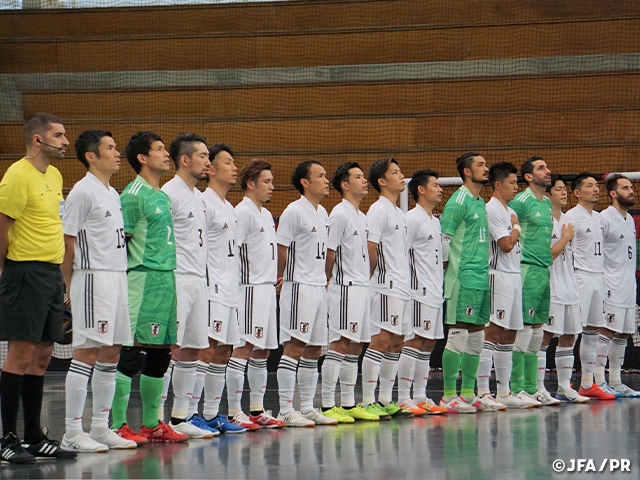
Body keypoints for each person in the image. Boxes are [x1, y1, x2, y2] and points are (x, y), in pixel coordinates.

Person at [0, 113, 77, 463]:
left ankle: (33, 437)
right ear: (37, 140)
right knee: (20, 354)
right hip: (24, 272)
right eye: (59, 136)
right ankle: (7, 438)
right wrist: (3, 273)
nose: (65, 142)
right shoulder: (17, 175)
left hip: (49, 275)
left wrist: (61, 276)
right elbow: (2, 227)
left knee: (44, 354)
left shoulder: (56, 174)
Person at [60, 130, 138, 452]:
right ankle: (71, 433)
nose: (117, 153)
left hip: (117, 278)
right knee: (87, 352)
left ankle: (101, 427)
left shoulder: (113, 193)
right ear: (91, 156)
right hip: (92, 279)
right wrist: (68, 287)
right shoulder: (82, 192)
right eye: (110, 148)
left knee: (112, 352)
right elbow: (67, 242)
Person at [110, 131, 189, 444]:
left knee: (161, 351)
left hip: (167, 277)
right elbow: (121, 244)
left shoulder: (164, 197)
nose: (165, 154)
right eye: (158, 149)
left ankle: (151, 424)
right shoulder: (132, 194)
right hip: (142, 278)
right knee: (131, 352)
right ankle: (117, 424)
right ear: (142, 158)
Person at [161, 133, 220, 438]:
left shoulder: (198, 196)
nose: (208, 162)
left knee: (195, 348)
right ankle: (156, 419)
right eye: (202, 156)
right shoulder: (169, 193)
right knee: (172, 348)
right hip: (177, 279)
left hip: (199, 280)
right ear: (184, 160)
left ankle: (179, 417)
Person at [222, 159, 286, 429]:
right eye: (267, 182)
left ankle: (257, 410)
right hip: (247, 290)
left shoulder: (263, 214)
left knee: (261, 352)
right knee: (243, 348)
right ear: (251, 184)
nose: (272, 187)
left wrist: (275, 279)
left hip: (266, 290)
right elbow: (232, 253)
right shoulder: (243, 212)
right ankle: (234, 410)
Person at [275, 160, 337, 427]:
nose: (326, 180)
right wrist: (282, 277)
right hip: (298, 287)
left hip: (318, 288)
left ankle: (308, 407)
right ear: (305, 182)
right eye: (320, 176)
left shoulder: (323, 212)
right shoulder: (293, 212)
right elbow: (280, 250)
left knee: (314, 350)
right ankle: (285, 409)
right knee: (295, 346)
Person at [196, 143, 251, 433]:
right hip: (210, 287)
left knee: (224, 351)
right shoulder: (203, 202)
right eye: (227, 162)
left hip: (231, 290)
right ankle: (190, 414)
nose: (234, 167)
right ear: (211, 169)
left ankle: (211, 413)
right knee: (205, 350)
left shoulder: (229, 207)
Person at [320, 162, 380, 423]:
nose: (364, 180)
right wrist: (330, 279)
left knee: (355, 345)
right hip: (344, 288)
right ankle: (326, 404)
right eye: (358, 177)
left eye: (364, 176)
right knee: (339, 343)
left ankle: (347, 404)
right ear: (345, 185)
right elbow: (329, 253)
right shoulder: (339, 214)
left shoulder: (362, 216)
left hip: (362, 289)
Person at [360, 157, 413, 419]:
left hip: (403, 288)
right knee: (381, 340)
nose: (401, 175)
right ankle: (368, 400)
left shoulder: (400, 214)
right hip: (385, 285)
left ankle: (384, 400)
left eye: (400, 171)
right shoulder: (377, 210)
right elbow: (371, 249)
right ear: (382, 181)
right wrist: (375, 279)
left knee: (397, 342)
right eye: (395, 172)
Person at [439, 152, 490, 414]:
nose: (486, 168)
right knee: (458, 336)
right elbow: (443, 241)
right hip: (462, 278)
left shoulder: (480, 202)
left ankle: (468, 394)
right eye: (480, 164)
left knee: (477, 337)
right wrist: (448, 273)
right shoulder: (457, 202)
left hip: (482, 277)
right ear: (467, 171)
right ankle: (449, 396)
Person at [396, 169, 448, 415]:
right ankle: (404, 398)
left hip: (435, 291)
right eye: (435, 185)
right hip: (418, 291)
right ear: (421, 190)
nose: (440, 189)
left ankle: (419, 396)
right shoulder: (412, 219)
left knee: (428, 343)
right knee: (414, 341)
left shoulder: (435, 221)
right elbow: (401, 255)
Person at [476, 162, 527, 409]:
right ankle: (484, 391)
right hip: (498, 276)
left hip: (514, 275)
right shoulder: (493, 209)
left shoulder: (508, 210)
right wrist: (517, 226)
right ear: (498, 184)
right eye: (512, 183)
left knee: (510, 334)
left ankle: (505, 392)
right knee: (494, 331)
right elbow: (506, 245)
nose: (516, 187)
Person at [507, 156, 555, 407]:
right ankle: (515, 389)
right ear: (528, 176)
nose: (547, 171)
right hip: (526, 269)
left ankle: (531, 387)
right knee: (523, 329)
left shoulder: (547, 203)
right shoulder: (520, 202)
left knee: (538, 330)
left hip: (544, 271)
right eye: (541, 168)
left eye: (546, 167)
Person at [564, 173, 616, 400]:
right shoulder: (571, 217)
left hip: (598, 278)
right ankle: (564, 384)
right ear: (577, 192)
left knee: (593, 331)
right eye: (589, 186)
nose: (596, 189)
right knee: (572, 331)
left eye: (597, 185)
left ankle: (587, 383)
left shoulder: (599, 218)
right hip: (580, 278)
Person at [540, 174, 589, 403]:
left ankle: (564, 387)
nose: (564, 193)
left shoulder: (567, 221)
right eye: (558, 189)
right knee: (545, 336)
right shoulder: (544, 220)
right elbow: (546, 255)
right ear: (548, 194)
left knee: (570, 336)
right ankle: (538, 387)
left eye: (564, 189)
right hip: (551, 286)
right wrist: (565, 238)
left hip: (570, 286)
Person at [595, 174, 639, 397]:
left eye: (631, 187)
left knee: (623, 333)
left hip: (628, 286)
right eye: (625, 188)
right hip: (610, 284)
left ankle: (616, 381)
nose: (631, 191)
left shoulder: (629, 219)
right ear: (613, 193)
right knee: (607, 330)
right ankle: (598, 380)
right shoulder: (604, 218)